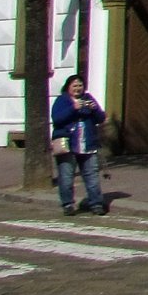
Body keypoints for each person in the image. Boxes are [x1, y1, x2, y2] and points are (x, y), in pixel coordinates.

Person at [50, 75, 108, 216]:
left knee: (92, 175)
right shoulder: (62, 100)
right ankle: (68, 204)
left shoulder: (88, 98)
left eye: (80, 85)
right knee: (66, 176)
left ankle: (96, 203)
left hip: (87, 144)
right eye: (74, 86)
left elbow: (100, 118)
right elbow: (57, 119)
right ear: (68, 87)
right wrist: (73, 108)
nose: (78, 88)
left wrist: (95, 109)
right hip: (68, 144)